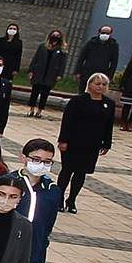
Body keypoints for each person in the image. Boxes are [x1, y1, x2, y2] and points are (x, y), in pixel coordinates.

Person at [56, 73, 117, 212]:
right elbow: (67, 121)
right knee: (67, 170)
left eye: (104, 84)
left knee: (81, 172)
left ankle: (72, 200)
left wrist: (106, 143)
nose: (101, 87)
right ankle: (59, 198)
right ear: (90, 84)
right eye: (98, 84)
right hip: (74, 142)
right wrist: (63, 140)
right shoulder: (78, 101)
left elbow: (108, 125)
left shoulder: (109, 104)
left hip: (92, 144)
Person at [26, 31, 67, 117]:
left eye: (57, 35)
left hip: (51, 74)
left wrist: (60, 74)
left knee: (45, 93)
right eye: (54, 35)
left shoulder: (61, 50)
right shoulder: (43, 46)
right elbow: (35, 58)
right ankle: (31, 109)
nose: (55, 36)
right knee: (35, 92)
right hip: (39, 71)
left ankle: (39, 111)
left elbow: (62, 63)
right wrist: (31, 70)